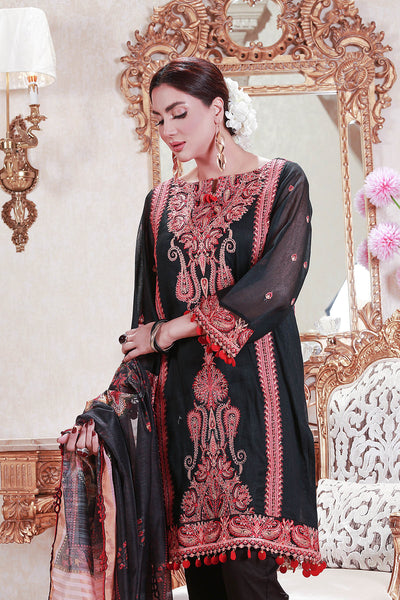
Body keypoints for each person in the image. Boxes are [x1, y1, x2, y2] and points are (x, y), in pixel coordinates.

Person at [55, 57, 324, 600]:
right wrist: (103, 414)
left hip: (259, 410)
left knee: (249, 581)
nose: (168, 131)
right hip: (183, 419)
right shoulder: (159, 205)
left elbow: (274, 290)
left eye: (179, 114)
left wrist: (173, 329)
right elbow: (143, 324)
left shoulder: (281, 182)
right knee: (205, 586)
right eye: (158, 119)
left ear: (217, 108)